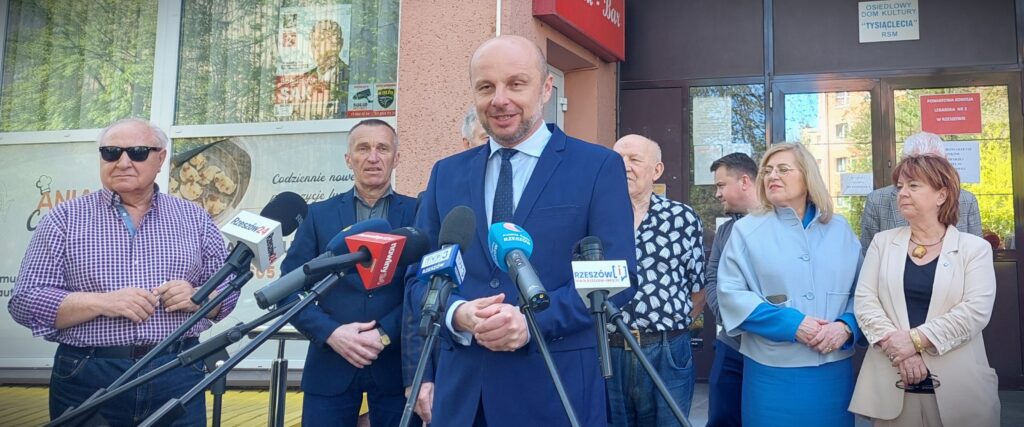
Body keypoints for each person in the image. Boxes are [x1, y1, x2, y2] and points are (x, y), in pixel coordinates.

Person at [405, 35, 637, 427]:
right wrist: (457, 313)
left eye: (516, 84)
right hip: (464, 400)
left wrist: (531, 325)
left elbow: (617, 277)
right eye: (486, 87)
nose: (500, 99)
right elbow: (420, 278)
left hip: (556, 394)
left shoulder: (597, 167)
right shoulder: (446, 174)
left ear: (546, 89)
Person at [9, 118, 239, 426]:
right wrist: (102, 302)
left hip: (177, 370)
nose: (123, 162)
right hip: (89, 372)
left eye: (138, 152)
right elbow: (25, 301)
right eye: (111, 152)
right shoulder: (63, 219)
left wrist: (200, 298)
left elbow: (229, 289)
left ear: (160, 158)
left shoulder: (194, 218)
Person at [282, 119, 419, 427]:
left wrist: (384, 333)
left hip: (396, 369)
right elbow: (288, 289)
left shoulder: (418, 213)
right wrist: (331, 333)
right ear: (348, 159)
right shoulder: (319, 215)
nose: (373, 157)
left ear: (396, 158)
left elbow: (422, 288)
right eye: (363, 148)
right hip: (330, 364)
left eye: (383, 148)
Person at [717, 142, 863, 427]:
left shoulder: (841, 229)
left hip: (832, 372)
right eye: (767, 170)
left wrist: (846, 326)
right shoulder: (746, 230)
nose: (772, 175)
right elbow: (730, 294)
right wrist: (793, 324)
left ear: (808, 177)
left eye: (783, 169)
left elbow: (864, 292)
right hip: (771, 375)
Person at [850, 154, 999, 426]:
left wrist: (915, 341)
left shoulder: (974, 249)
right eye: (900, 187)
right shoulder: (882, 243)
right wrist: (902, 352)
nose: (902, 193)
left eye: (913, 185)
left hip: (959, 390)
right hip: (892, 383)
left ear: (941, 195)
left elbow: (975, 312)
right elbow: (865, 301)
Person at [608, 134, 704, 426]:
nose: (624, 166)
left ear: (657, 170)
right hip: (607, 351)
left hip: (667, 352)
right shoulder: (594, 216)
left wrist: (668, 328)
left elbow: (698, 288)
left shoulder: (681, 218)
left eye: (634, 160)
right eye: (617, 159)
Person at [704, 152, 760, 427]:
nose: (717, 194)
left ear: (745, 181)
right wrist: (729, 316)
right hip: (731, 344)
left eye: (721, 185)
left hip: (768, 346)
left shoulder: (780, 225)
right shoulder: (726, 231)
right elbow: (712, 278)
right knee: (721, 417)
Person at [861, 132, 982, 255]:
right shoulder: (877, 201)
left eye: (933, 164)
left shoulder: (967, 200)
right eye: (915, 163)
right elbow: (869, 255)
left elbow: (976, 253)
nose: (923, 169)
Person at [302, 19, 350, 118]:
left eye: (319, 43)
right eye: (313, 44)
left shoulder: (350, 76)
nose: (315, 49)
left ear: (338, 45)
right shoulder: (304, 79)